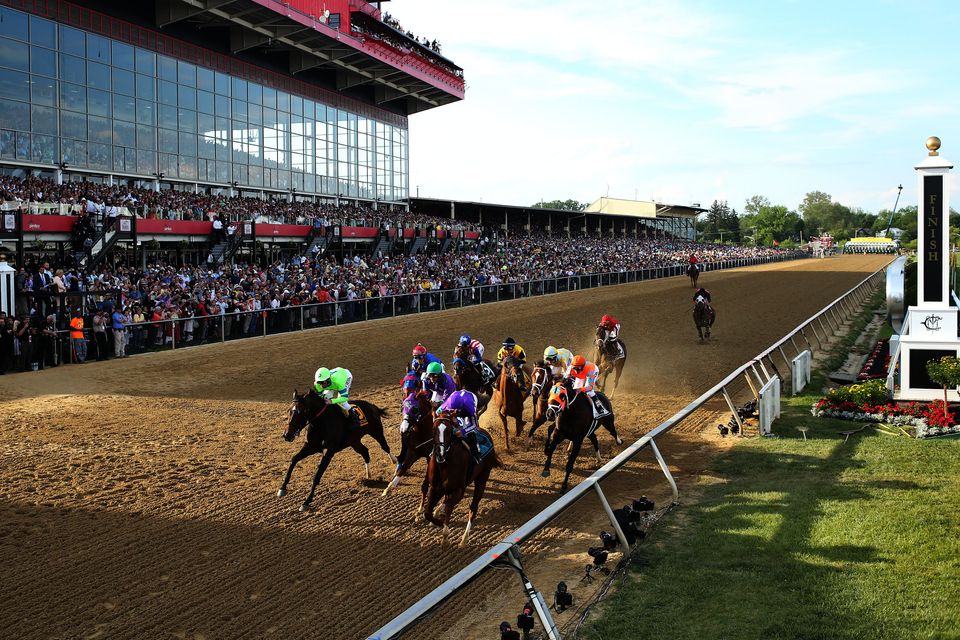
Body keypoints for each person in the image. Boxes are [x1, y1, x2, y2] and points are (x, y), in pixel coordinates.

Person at [439, 389, 481, 460]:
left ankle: (477, 453)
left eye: (457, 411)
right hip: (456, 398)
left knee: (467, 429)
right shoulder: (448, 403)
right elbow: (437, 413)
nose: (454, 411)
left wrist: (463, 432)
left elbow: (474, 425)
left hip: (470, 399)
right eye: (452, 410)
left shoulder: (470, 408)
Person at [566, 355, 609, 423]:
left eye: (578, 369)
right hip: (581, 375)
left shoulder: (591, 370)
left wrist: (581, 389)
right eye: (575, 369)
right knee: (574, 389)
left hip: (591, 372)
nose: (576, 371)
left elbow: (589, 387)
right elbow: (566, 380)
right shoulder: (570, 369)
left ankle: (600, 409)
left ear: (583, 367)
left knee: (589, 392)